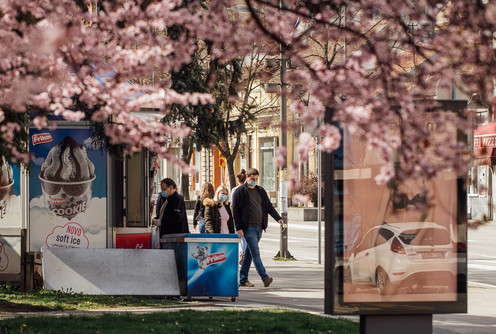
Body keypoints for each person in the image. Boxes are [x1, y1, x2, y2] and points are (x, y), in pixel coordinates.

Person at [232, 167, 284, 288]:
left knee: (250, 254)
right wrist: (238, 228)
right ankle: (264, 277)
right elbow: (235, 211)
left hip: (259, 227)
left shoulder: (260, 190)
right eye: (253, 179)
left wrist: (278, 218)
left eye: (257, 179)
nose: (255, 181)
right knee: (255, 253)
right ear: (248, 178)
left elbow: (269, 206)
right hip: (248, 227)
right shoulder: (240, 192)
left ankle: (243, 279)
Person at [231, 169, 248, 264]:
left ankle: (240, 250)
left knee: (237, 235)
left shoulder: (235, 190)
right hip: (245, 216)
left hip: (237, 216)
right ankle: (244, 251)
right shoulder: (247, 189)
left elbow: (232, 205)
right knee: (245, 237)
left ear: (237, 179)